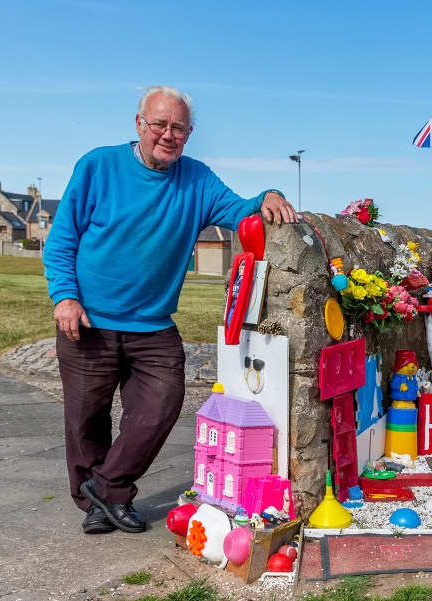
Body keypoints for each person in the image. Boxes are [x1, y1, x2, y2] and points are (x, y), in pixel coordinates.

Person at [43, 86, 298, 535]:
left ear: (189, 133)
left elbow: (240, 210)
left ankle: (106, 486)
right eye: (159, 124)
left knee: (162, 404)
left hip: (153, 324)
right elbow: (62, 239)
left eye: (178, 127)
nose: (168, 134)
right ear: (139, 124)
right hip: (89, 320)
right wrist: (65, 296)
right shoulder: (97, 166)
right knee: (85, 420)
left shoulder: (196, 180)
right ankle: (100, 505)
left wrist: (270, 194)